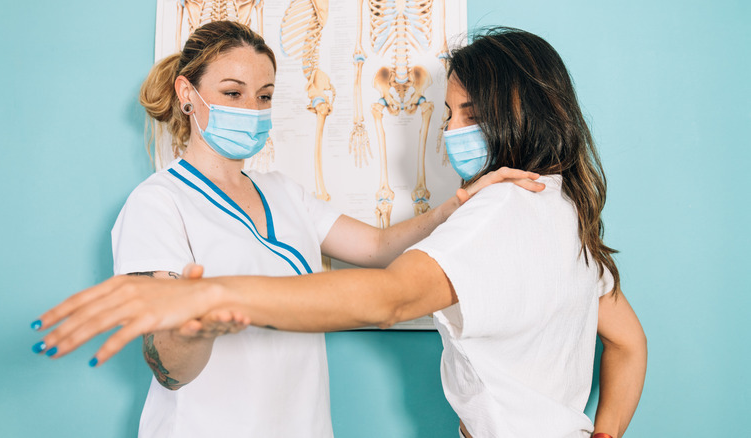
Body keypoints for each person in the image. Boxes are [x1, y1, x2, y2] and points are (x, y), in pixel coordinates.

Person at [33, 27, 647, 438]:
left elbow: (385, 272)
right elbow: (170, 369)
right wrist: (199, 318)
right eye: (232, 93)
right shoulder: (157, 205)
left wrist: (217, 293)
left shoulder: (286, 194)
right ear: (187, 95)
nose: (251, 110)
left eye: (265, 96)